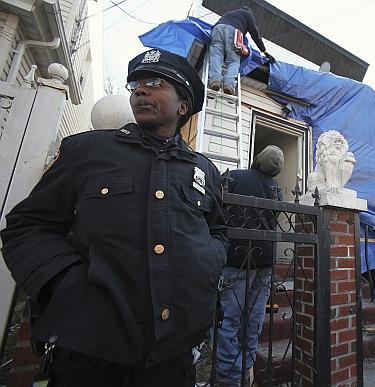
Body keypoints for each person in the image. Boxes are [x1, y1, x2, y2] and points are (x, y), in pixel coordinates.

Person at [0, 48, 228, 387]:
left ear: (183, 106)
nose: (140, 90)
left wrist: (207, 264)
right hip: (91, 352)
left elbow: (218, 231)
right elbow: (28, 226)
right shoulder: (88, 150)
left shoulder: (204, 170)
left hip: (173, 356)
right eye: (135, 84)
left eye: (155, 83)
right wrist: (64, 282)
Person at [215, 145, 284, 386]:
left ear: (257, 160)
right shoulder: (276, 189)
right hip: (264, 262)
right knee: (252, 323)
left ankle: (227, 377)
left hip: (236, 259)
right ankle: (245, 371)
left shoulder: (234, 176)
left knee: (229, 321)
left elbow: (215, 207)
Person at [208, 6, 275, 95]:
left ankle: (215, 80)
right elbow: (255, 35)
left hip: (218, 29)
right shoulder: (248, 15)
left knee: (216, 55)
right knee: (233, 61)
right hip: (233, 31)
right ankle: (228, 84)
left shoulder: (229, 13)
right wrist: (265, 51)